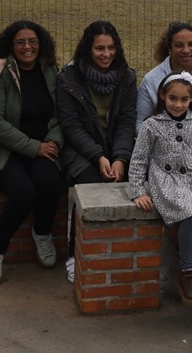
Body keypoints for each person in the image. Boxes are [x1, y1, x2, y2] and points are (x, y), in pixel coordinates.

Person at [0, 20, 65, 286]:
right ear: (11, 45)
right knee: (24, 192)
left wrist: (52, 142)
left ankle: (42, 234)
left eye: (32, 41)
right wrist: (35, 147)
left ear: (40, 43)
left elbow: (61, 115)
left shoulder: (51, 71)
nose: (27, 47)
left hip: (41, 149)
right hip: (2, 151)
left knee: (51, 184)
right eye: (20, 42)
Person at [128, 72, 192, 308]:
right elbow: (138, 160)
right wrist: (138, 190)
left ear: (191, 98)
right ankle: (186, 272)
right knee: (190, 212)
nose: (178, 104)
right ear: (163, 96)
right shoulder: (151, 126)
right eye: (173, 98)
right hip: (165, 179)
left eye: (184, 99)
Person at [56, 20, 137, 283]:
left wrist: (120, 158)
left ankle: (122, 250)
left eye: (111, 48)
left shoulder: (127, 76)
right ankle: (74, 254)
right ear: (88, 49)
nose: (106, 54)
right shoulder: (69, 78)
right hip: (81, 149)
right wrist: (99, 157)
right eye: (99, 48)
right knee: (89, 185)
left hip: (116, 148)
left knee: (130, 184)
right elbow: (71, 126)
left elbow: (126, 121)